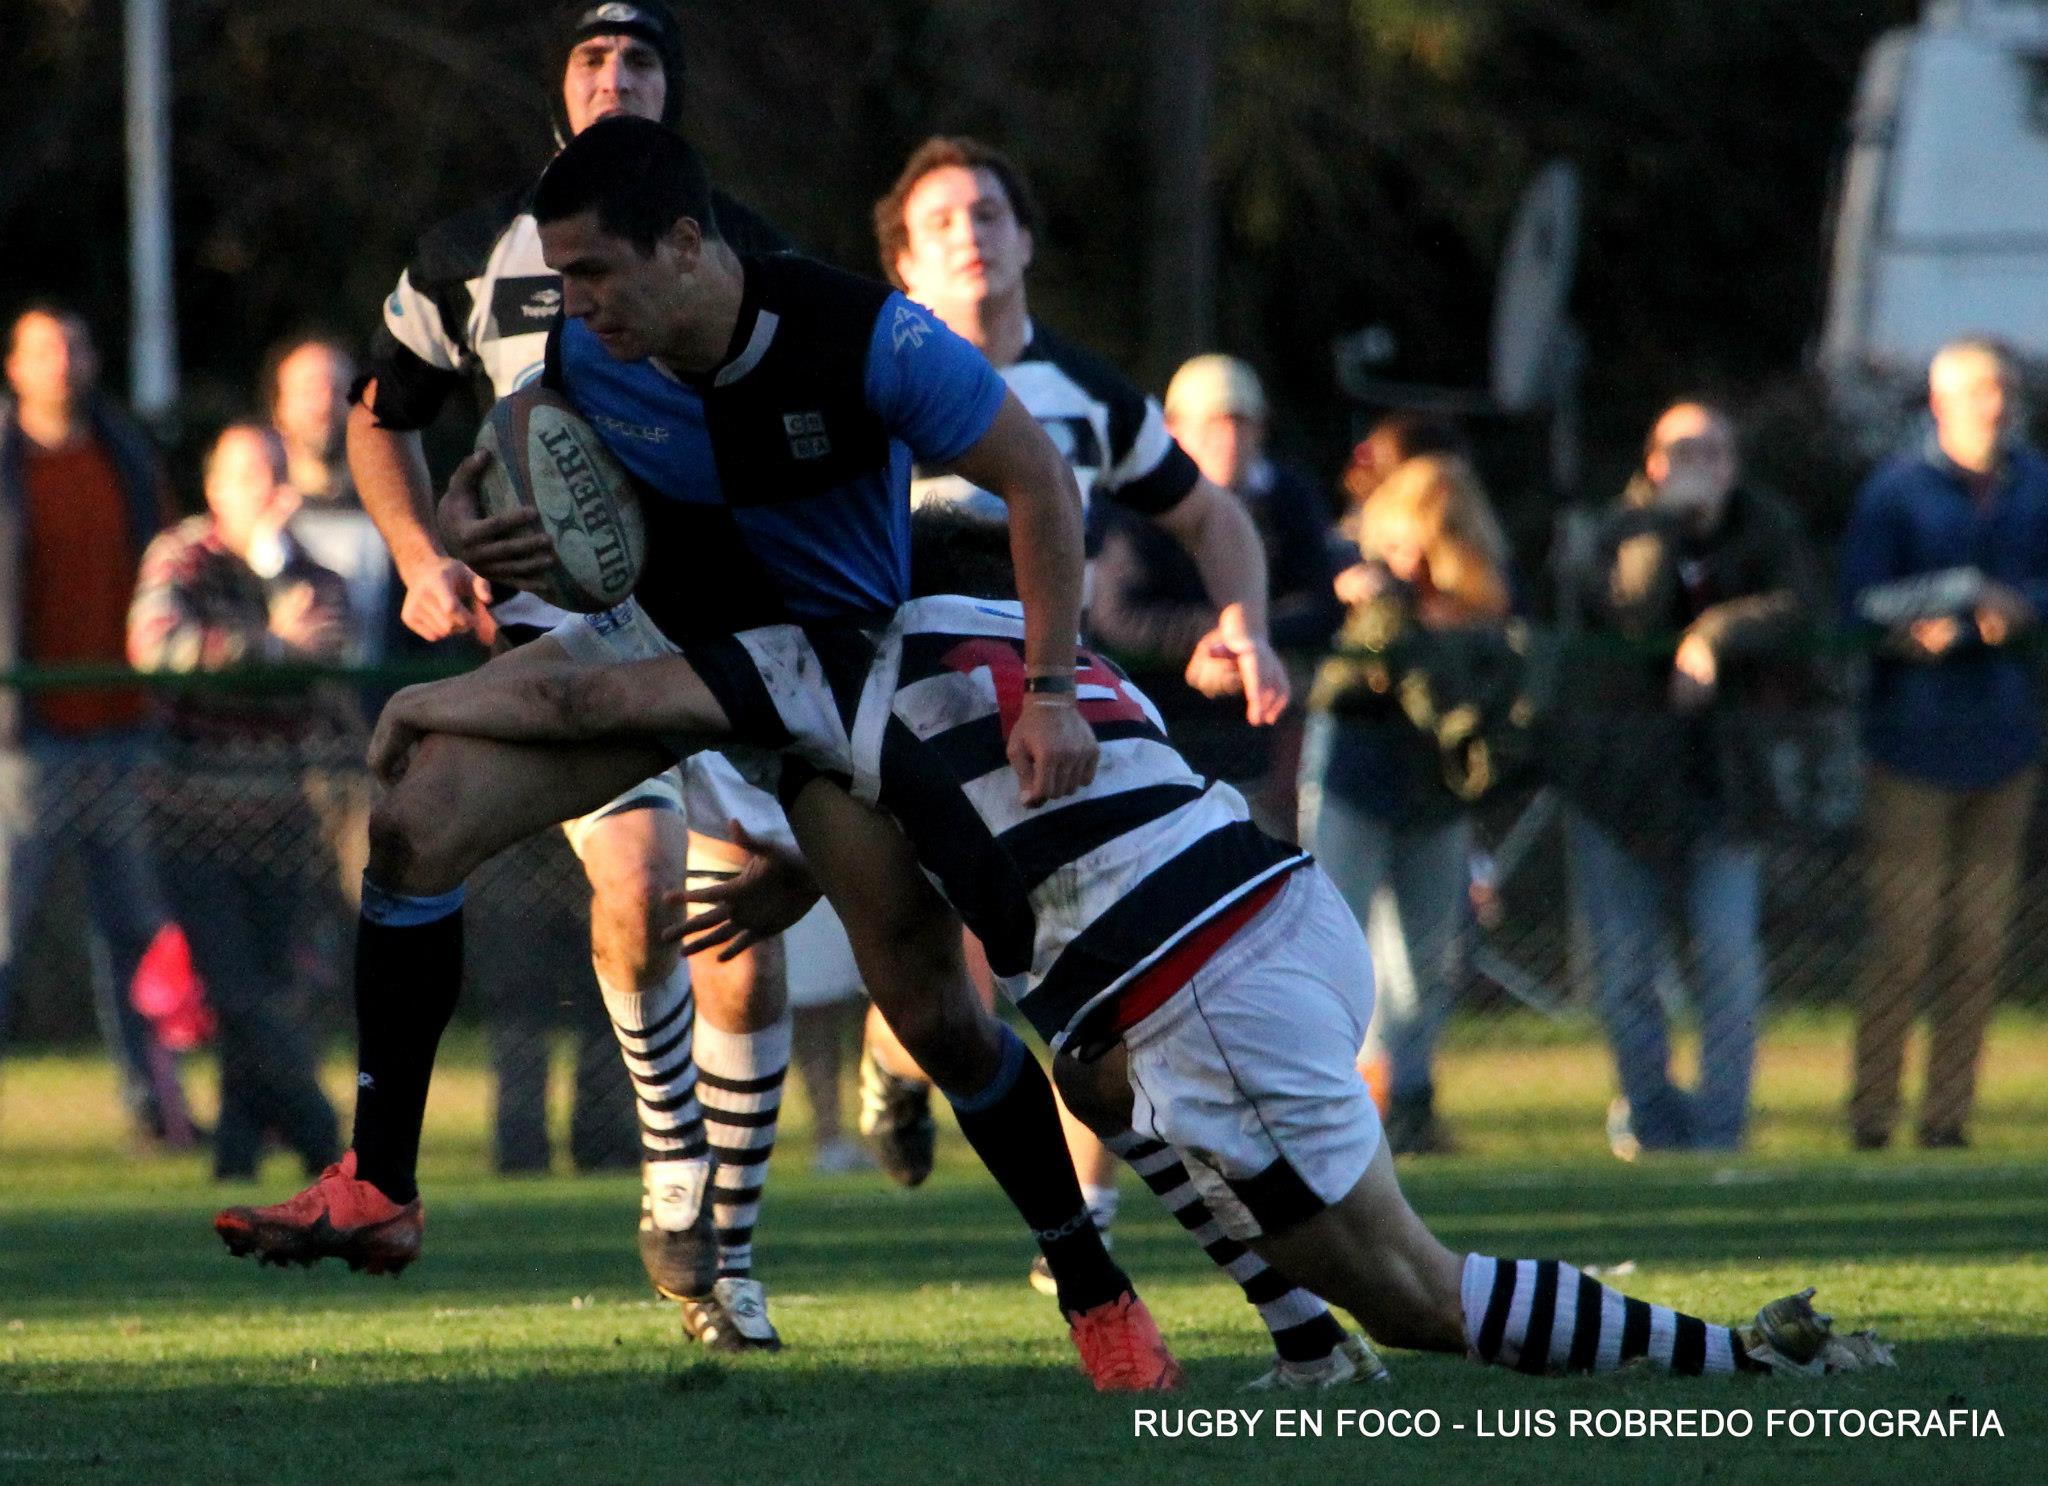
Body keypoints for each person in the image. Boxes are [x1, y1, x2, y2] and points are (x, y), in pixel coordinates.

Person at [362, 508, 1894, 1385]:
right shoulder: (1044, 643)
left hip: (1206, 988)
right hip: (1272, 911)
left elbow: (584, 705)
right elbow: (943, 822)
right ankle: (1303, 1344)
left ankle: (1753, 1363)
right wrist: (801, 876)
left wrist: (428, 702)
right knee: (1093, 1079)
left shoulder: (827, 658)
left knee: (1418, 1297)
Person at [217, 116, 1185, 1390]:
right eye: (561, 280)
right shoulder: (581, 347)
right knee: (415, 820)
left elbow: (1040, 488)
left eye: (596, 274)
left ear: (685, 243)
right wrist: (468, 508)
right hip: (661, 653)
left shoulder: (862, 333)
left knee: (942, 1024)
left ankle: (1091, 1281)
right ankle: (379, 1183)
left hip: (833, 687)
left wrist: (1050, 693)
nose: (575, 304)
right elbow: (513, 458)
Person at [341, 0, 814, 1348]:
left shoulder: (738, 243)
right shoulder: (470, 252)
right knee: (641, 883)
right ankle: (675, 1166)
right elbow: (383, 420)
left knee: (742, 947)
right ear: (560, 82)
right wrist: (423, 553)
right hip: (564, 635)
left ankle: (734, 1254)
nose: (618, 76)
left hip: (726, 624)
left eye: (645, 57)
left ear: (675, 87)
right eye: (595, 56)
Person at [863, 137, 1291, 1297]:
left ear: (1027, 240)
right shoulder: (872, 385)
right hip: (899, 715)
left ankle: (1087, 1213)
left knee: (1085, 956)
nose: (972, 230)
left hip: (1051, 699)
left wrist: (1240, 623)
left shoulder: (1089, 395)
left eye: (990, 209)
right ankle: (892, 1053)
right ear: (901, 263)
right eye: (942, 217)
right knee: (931, 971)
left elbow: (1215, 520)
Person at [1557, 400, 1819, 1157]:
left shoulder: (1765, 526)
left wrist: (1715, 634)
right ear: (1652, 462)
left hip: (1724, 780)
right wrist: (1664, 524)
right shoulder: (1616, 532)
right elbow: (1630, 614)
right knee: (1627, 968)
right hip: (1621, 785)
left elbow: (1800, 608)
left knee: (1729, 961)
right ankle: (1652, 1122)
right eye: (1684, 450)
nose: (1704, 465)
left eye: (1717, 450)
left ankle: (1717, 1132)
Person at [1839, 339, 2048, 1151]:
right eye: (1978, 394)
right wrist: (1924, 623)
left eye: (2003, 392)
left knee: (1980, 940)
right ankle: (1872, 1116)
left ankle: (1948, 1118)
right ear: (1939, 402)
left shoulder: (2035, 484)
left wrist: (2021, 604)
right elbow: (1857, 605)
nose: (1994, 408)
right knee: (1903, 935)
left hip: (2005, 738)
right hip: (1913, 741)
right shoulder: (1897, 492)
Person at [127, 423, 350, 1180]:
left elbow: (332, 642)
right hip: (193, 820)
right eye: (248, 475)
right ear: (215, 487)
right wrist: (270, 645)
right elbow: (158, 645)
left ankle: (235, 1160)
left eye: (274, 474)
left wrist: (274, 574)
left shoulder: (305, 570)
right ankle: (329, 1144)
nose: (265, 490)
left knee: (272, 995)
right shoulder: (180, 557)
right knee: (239, 992)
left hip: (281, 823)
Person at [0, 304, 195, 1149]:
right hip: (24, 734)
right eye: (43, 348)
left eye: (74, 345)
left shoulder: (125, 455)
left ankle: (157, 1109)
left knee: (137, 936)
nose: (61, 362)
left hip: (125, 729)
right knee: (6, 928)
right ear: (14, 366)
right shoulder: (5, 466)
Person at [1301, 454, 1511, 1154]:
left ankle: (1411, 1101)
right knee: (1337, 944)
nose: (1408, 554)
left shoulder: (1479, 603)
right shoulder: (1351, 579)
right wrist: (1374, 615)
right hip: (1354, 783)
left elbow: (1482, 691)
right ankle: (1333, 1104)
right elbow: (1333, 685)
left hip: (1436, 797)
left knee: (1426, 960)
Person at [1090, 354, 1341, 838]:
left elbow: (1322, 604)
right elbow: (1115, 617)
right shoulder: (1132, 503)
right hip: (1156, 737)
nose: (1227, 440)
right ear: (1172, 429)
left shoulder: (1288, 497)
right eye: (1210, 425)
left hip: (1269, 744)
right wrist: (1225, 637)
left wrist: (1248, 642)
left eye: (1239, 424)